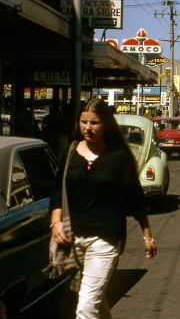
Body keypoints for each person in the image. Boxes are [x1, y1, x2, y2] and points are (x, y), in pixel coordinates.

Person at [50, 98, 157, 318]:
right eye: (84, 122)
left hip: (105, 240)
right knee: (96, 302)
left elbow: (135, 199)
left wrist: (147, 236)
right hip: (74, 239)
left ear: (105, 124)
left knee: (86, 307)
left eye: (94, 123)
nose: (87, 128)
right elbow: (57, 191)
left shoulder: (119, 157)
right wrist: (56, 222)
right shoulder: (71, 151)